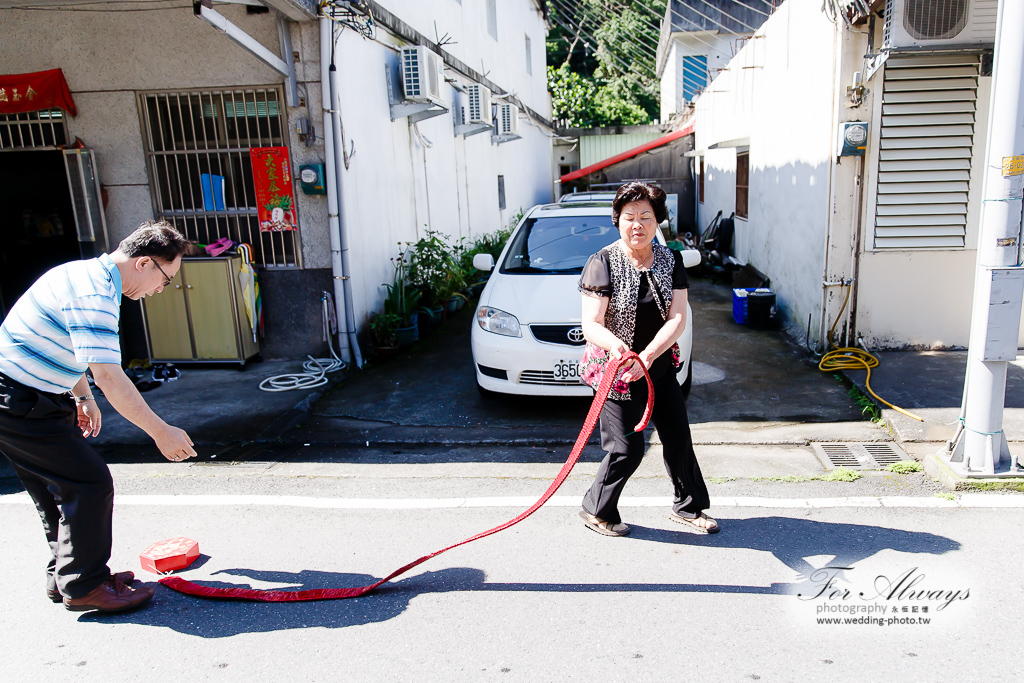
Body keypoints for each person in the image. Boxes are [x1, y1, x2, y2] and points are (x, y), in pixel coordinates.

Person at [0, 220, 197, 612]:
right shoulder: (95, 291)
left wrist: (81, 395)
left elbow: (66, 346)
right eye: (165, 278)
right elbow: (108, 373)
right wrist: (160, 431)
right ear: (143, 263)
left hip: (33, 395)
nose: (160, 290)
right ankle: (85, 586)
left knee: (55, 487)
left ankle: (67, 576)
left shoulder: (84, 274)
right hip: (18, 400)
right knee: (89, 483)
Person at [577, 182, 718, 537]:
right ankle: (597, 509)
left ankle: (688, 507)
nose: (637, 224)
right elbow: (591, 323)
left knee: (677, 436)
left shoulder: (671, 259)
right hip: (618, 369)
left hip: (657, 362)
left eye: (645, 216)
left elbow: (677, 316)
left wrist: (649, 355)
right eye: (629, 217)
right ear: (617, 221)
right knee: (627, 448)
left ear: (658, 222)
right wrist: (619, 350)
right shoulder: (603, 261)